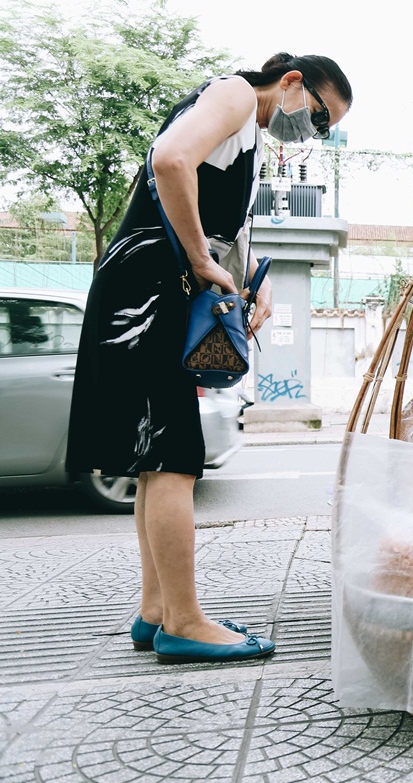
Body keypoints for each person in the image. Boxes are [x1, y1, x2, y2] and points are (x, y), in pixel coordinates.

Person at [66, 53, 352, 664]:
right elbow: (170, 161)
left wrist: (252, 277)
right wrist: (200, 259)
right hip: (152, 288)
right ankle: (185, 622)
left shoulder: (245, 130)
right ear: (293, 82)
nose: (315, 133)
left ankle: (157, 610)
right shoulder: (237, 95)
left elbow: (214, 211)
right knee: (175, 458)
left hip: (140, 283)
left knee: (156, 458)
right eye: (321, 117)